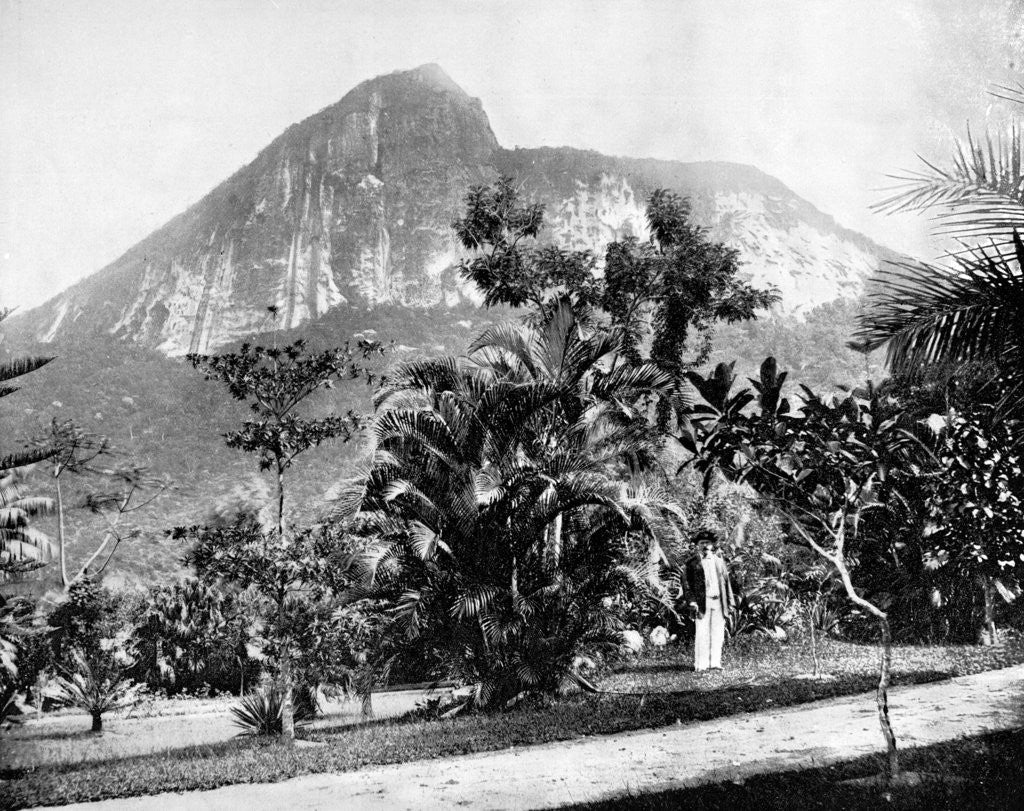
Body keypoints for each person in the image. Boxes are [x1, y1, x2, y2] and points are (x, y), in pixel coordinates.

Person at [684, 531, 735, 671]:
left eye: (708, 543)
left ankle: (715, 663)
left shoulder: (719, 562)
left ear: (713, 545)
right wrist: (692, 602)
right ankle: (701, 664)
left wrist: (730, 603)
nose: (705, 545)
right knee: (702, 633)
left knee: (718, 632)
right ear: (697, 546)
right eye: (702, 543)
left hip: (719, 602)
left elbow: (726, 582)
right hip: (701, 602)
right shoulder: (692, 563)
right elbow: (687, 585)